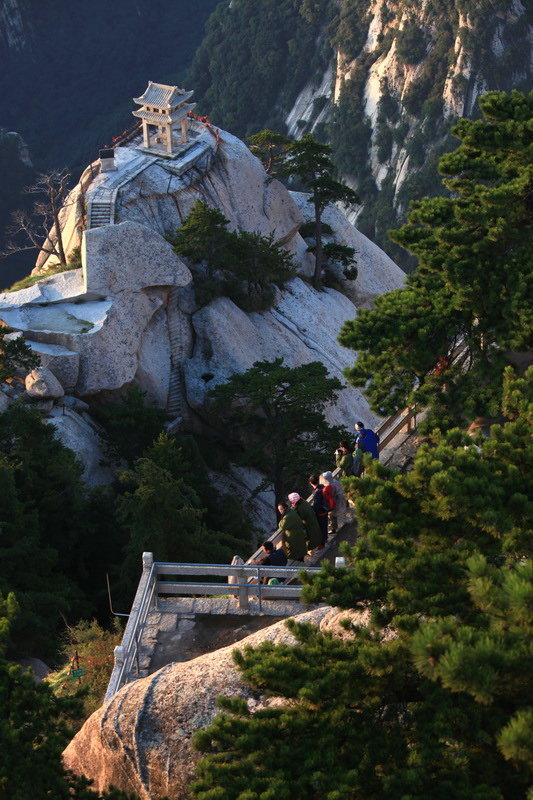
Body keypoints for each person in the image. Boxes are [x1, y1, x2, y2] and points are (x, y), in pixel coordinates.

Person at [309, 474, 328, 547]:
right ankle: (325, 539)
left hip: (320, 513)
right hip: (325, 509)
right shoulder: (323, 487)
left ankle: (321, 544)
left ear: (311, 483)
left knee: (320, 529)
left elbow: (317, 506)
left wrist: (312, 509)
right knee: (325, 526)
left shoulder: (317, 492)